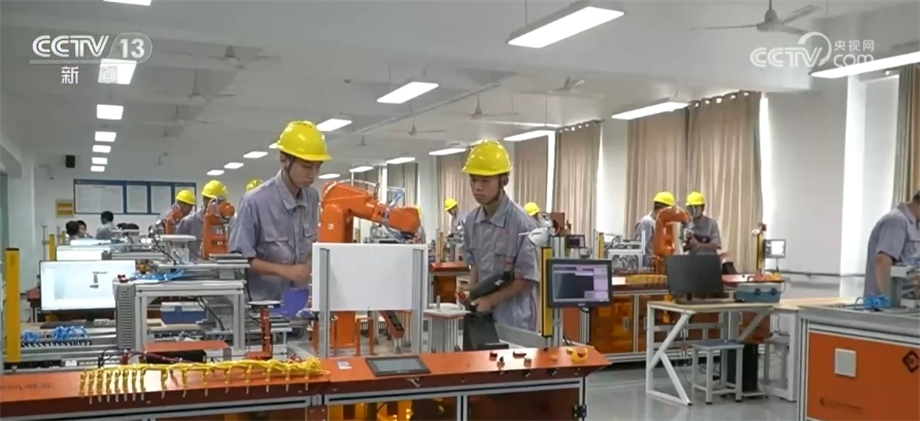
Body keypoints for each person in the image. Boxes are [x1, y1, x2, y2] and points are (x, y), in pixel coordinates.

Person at [230, 121, 329, 302]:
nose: (313, 174)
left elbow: (311, 248)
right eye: (307, 166)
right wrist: (284, 271)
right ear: (284, 160)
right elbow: (240, 260)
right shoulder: (254, 202)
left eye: (318, 167)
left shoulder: (312, 198)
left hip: (300, 305)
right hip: (263, 308)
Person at [460, 140, 540, 331]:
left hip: (514, 321)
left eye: (485, 181)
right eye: (473, 179)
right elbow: (476, 265)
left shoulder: (522, 224)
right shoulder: (471, 221)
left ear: (503, 181)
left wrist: (490, 300)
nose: (477, 187)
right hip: (481, 317)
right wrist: (471, 292)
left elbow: (525, 280)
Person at [864, 191, 920, 298]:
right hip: (887, 304)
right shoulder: (896, 221)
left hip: (905, 301)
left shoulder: (914, 225)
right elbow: (882, 261)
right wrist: (889, 301)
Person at [176, 180, 229, 260]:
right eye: (215, 201)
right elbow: (177, 247)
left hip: (221, 265)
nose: (218, 205)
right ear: (205, 200)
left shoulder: (228, 223)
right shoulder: (189, 222)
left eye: (221, 202)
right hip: (195, 266)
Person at [634, 191, 675, 266]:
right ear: (662, 209)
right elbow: (638, 249)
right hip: (647, 268)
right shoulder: (646, 223)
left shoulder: (660, 223)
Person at [684, 191, 722, 256]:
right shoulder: (685, 225)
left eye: (696, 207)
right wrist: (688, 243)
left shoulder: (712, 224)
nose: (693, 210)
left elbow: (715, 245)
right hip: (691, 260)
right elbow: (683, 247)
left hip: (708, 260)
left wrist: (698, 245)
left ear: (703, 207)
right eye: (690, 207)